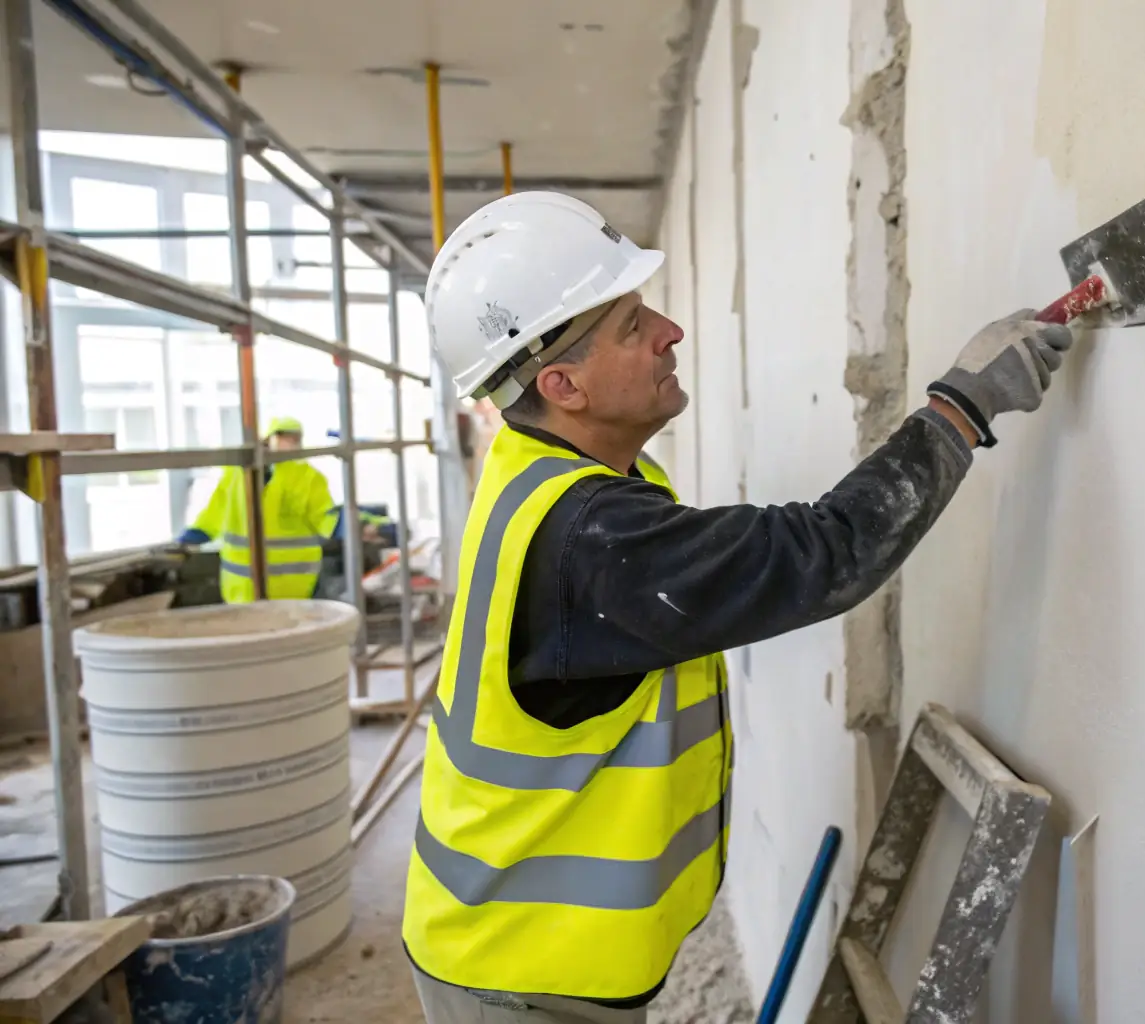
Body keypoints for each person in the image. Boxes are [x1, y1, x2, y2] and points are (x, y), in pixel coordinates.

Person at [403, 192, 1075, 1023]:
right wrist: (961, 408)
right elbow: (826, 553)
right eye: (630, 325)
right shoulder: (587, 533)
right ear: (561, 384)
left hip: (514, 939)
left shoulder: (550, 474)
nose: (669, 333)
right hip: (518, 971)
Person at [178, 415, 341, 602]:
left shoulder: (308, 477)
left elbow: (324, 515)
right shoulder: (236, 474)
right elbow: (217, 509)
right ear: (268, 439)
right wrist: (198, 533)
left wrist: (348, 525)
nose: (291, 444)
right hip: (242, 584)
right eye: (284, 437)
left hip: (293, 585)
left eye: (295, 439)